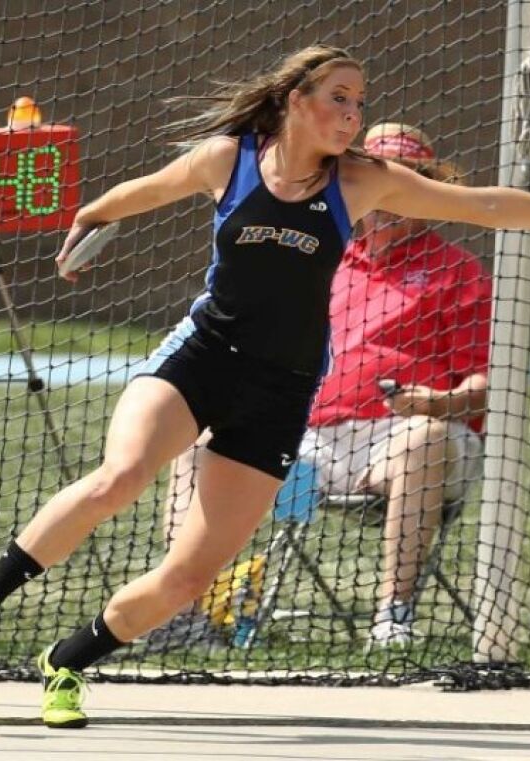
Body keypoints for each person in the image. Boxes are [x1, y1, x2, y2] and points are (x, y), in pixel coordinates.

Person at [0, 45, 530, 728]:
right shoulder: (229, 158)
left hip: (283, 390)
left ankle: (66, 663)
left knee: (191, 574)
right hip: (201, 355)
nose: (354, 113)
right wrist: (91, 214)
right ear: (294, 98)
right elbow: (147, 190)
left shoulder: (361, 182)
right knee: (124, 472)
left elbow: (484, 205)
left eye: (360, 101)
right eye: (340, 97)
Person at [164, 121, 490, 650]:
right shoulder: (320, 255)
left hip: (413, 440)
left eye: (404, 181)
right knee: (198, 444)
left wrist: (441, 403)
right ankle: (185, 613)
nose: (384, 197)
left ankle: (394, 617)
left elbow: (486, 380)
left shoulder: (459, 271)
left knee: (422, 440)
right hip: (306, 440)